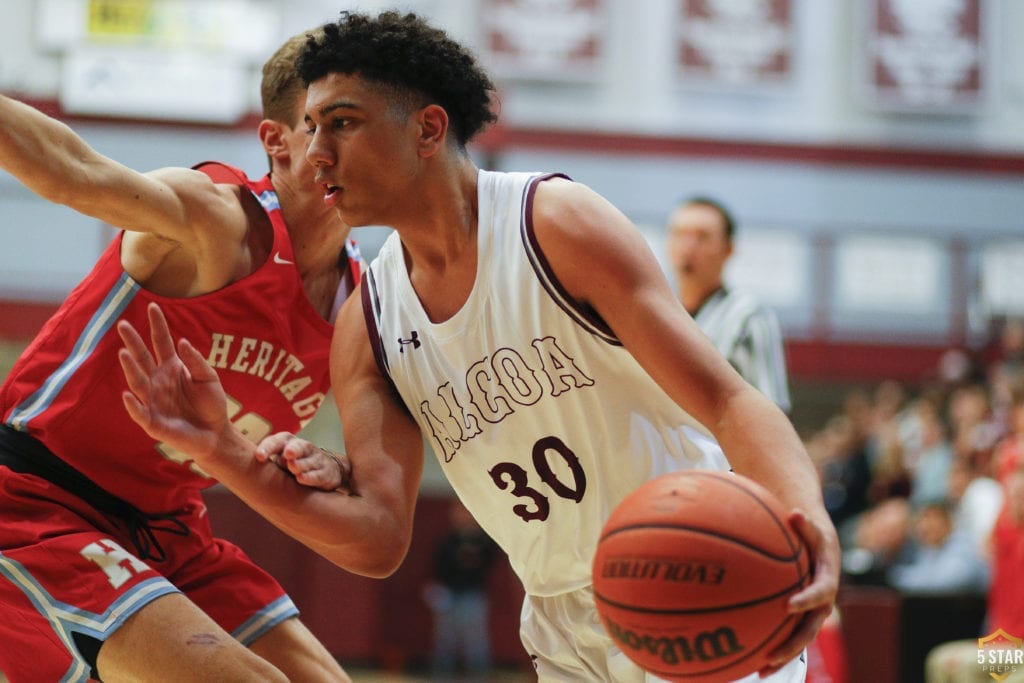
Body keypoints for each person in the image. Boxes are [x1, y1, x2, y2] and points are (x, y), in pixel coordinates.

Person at [117, 10, 841, 682]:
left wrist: (807, 523)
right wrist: (225, 453)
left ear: (428, 129)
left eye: (342, 123)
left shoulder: (554, 223)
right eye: (309, 127)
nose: (317, 152)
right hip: (561, 621)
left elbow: (728, 397)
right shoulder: (367, 320)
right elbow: (375, 537)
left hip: (699, 565)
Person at [0, 29, 356, 683]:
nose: (349, 148)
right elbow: (70, 170)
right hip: (36, 499)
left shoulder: (365, 304)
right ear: (276, 141)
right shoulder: (217, 220)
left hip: (172, 529)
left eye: (361, 125)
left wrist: (333, 463)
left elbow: (373, 481)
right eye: (329, 124)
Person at [666, 196, 792, 413]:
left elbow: (773, 410)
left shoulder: (749, 315)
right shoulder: (656, 310)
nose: (688, 246)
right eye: (680, 234)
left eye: (702, 237)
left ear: (728, 249)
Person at [423, 499, 500, 678]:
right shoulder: (448, 541)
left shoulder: (483, 540)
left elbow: (489, 562)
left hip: (473, 595)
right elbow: (438, 568)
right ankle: (441, 675)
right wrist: (437, 590)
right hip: (448, 595)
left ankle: (479, 675)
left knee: (476, 639)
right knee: (445, 639)